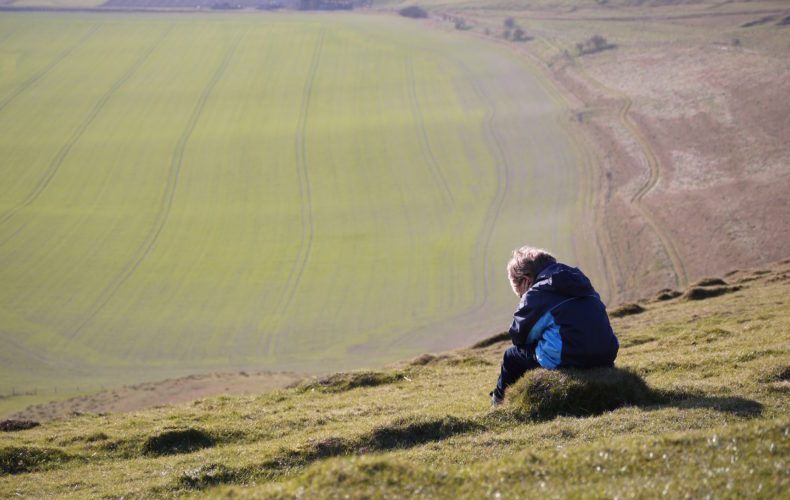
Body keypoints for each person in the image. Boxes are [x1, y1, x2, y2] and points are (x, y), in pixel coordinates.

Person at [491, 246, 619, 407]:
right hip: (606, 353)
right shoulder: (579, 279)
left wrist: (527, 301)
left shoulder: (537, 293)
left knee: (511, 357)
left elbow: (519, 337)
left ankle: (498, 404)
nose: (522, 298)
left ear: (526, 281)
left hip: (567, 358)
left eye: (520, 294)